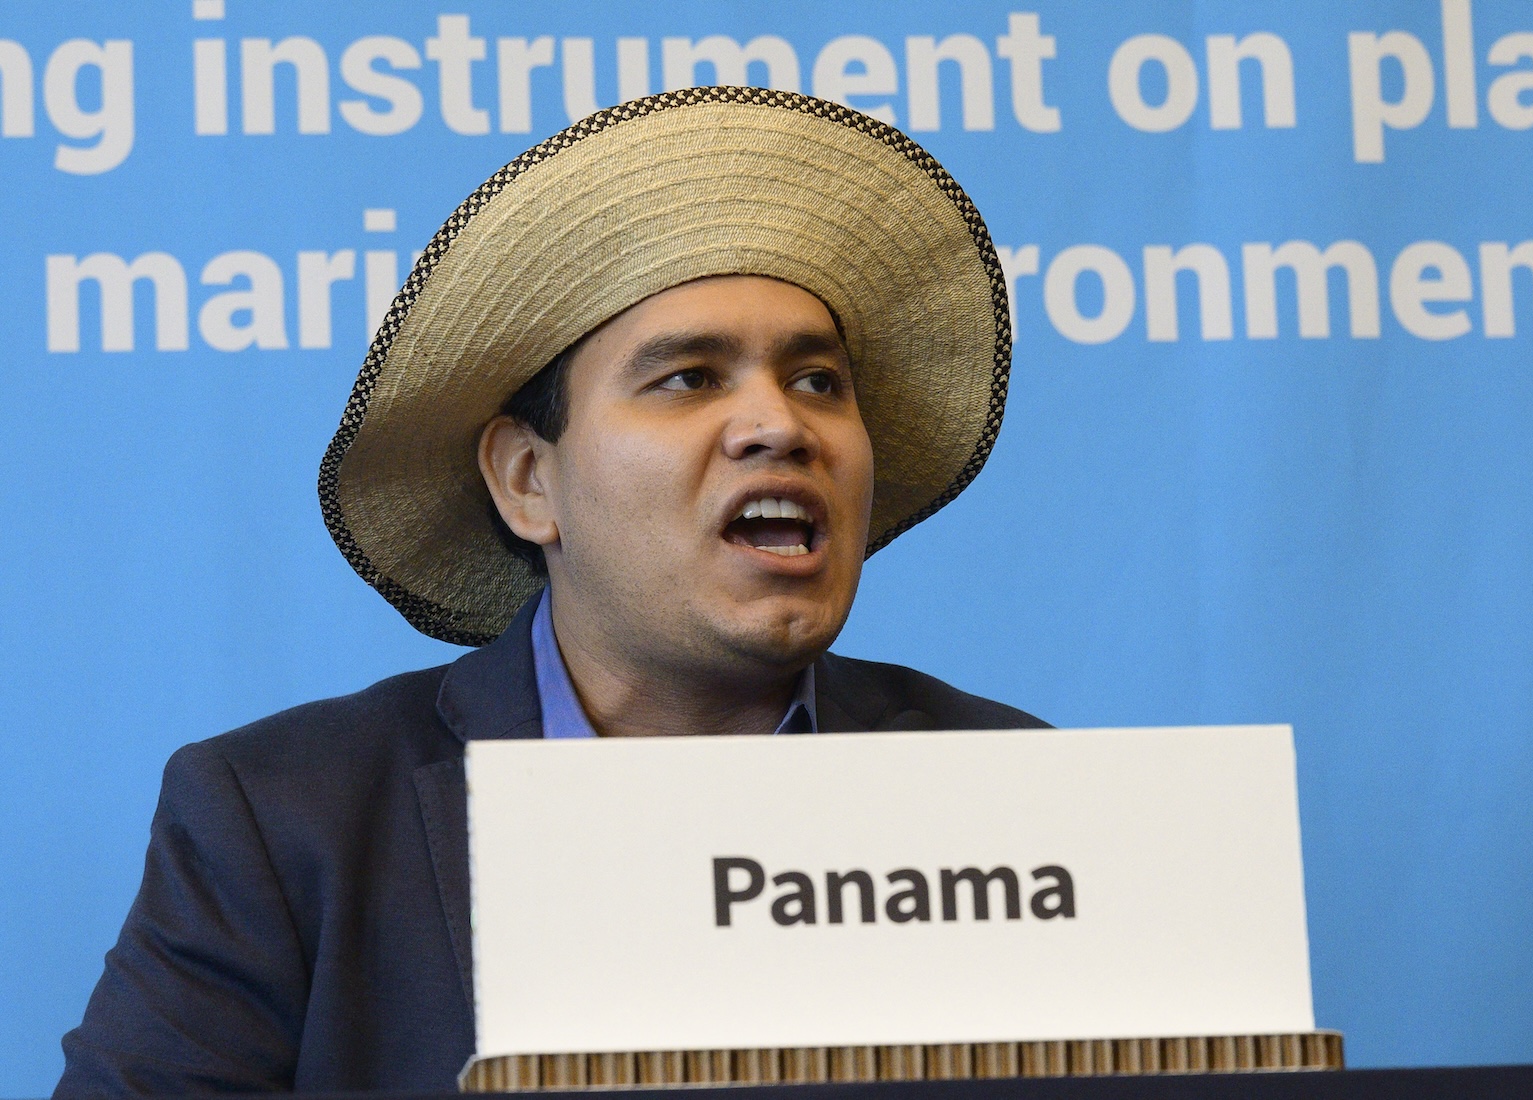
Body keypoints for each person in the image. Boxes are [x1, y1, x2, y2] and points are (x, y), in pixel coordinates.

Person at [54, 87, 1045, 1096]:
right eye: (691, 377)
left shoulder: (1024, 796)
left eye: (819, 381)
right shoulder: (282, 819)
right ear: (530, 479)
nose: (778, 424)